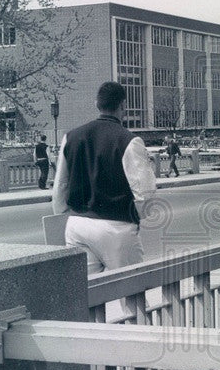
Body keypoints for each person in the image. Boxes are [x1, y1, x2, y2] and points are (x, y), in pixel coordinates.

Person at [51, 81, 157, 279]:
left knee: (87, 295)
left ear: (96, 104)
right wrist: (135, 217)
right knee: (132, 294)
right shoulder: (129, 141)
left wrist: (64, 216)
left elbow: (61, 186)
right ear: (122, 105)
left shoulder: (70, 137)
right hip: (116, 226)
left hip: (77, 225)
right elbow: (146, 191)